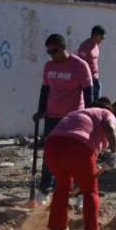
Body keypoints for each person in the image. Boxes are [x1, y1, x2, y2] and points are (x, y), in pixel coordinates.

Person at [44, 97, 116, 230]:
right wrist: (114, 153)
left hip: (52, 147)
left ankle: (57, 228)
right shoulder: (106, 113)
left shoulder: (77, 113)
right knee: (90, 190)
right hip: (78, 147)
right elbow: (109, 128)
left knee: (62, 187)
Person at [32, 34, 93, 197]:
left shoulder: (80, 66)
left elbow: (88, 92)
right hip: (52, 117)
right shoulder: (49, 66)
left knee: (75, 155)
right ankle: (45, 188)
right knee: (50, 154)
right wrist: (40, 111)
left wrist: (89, 116)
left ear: (63, 47)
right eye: (49, 52)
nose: (52, 55)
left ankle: (79, 191)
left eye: (54, 50)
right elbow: (44, 90)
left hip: (73, 119)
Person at [77, 25, 106, 104]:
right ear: (95, 35)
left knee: (96, 103)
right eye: (101, 36)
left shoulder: (96, 46)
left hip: (95, 78)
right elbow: (80, 63)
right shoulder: (85, 46)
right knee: (89, 103)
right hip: (87, 80)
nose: (103, 39)